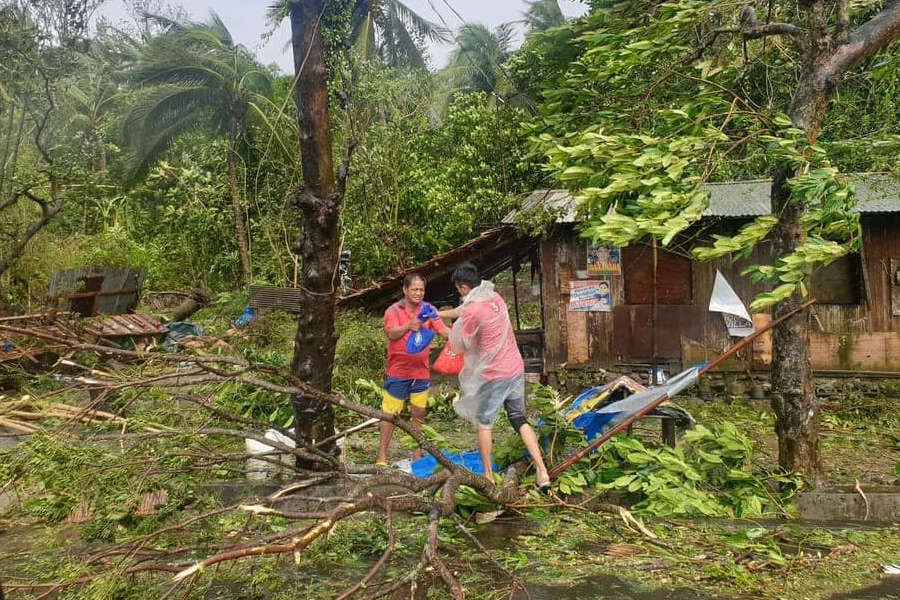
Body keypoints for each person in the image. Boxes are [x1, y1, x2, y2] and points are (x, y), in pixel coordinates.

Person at [440, 262, 551, 490]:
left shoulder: (472, 311)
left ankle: (488, 477)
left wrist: (434, 325)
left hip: (495, 374)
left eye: (459, 290)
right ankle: (542, 471)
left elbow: (459, 342)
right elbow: (463, 311)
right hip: (515, 368)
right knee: (519, 418)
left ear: (462, 288)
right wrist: (438, 313)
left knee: (484, 423)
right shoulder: (494, 298)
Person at [377, 273, 448, 467]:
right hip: (398, 372)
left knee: (419, 414)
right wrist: (409, 326)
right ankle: (382, 456)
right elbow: (391, 334)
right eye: (415, 289)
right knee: (390, 414)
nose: (418, 293)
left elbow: (442, 330)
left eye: (422, 290)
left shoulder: (429, 309)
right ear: (405, 290)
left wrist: (460, 337)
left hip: (421, 373)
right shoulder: (393, 310)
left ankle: (417, 454)